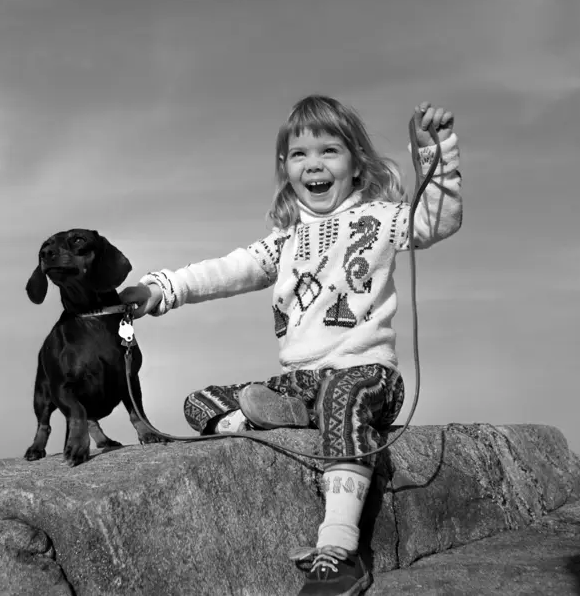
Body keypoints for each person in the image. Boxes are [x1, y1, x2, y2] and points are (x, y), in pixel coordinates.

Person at [119, 95, 462, 596]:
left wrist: (435, 150)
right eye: (300, 154)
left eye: (330, 151)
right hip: (301, 380)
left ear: (357, 163)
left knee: (341, 395)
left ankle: (339, 551)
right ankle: (294, 414)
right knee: (201, 403)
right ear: (285, 167)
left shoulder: (383, 219)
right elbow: (223, 270)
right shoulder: (283, 241)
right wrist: (160, 289)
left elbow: (438, 218)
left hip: (367, 373)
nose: (314, 164)